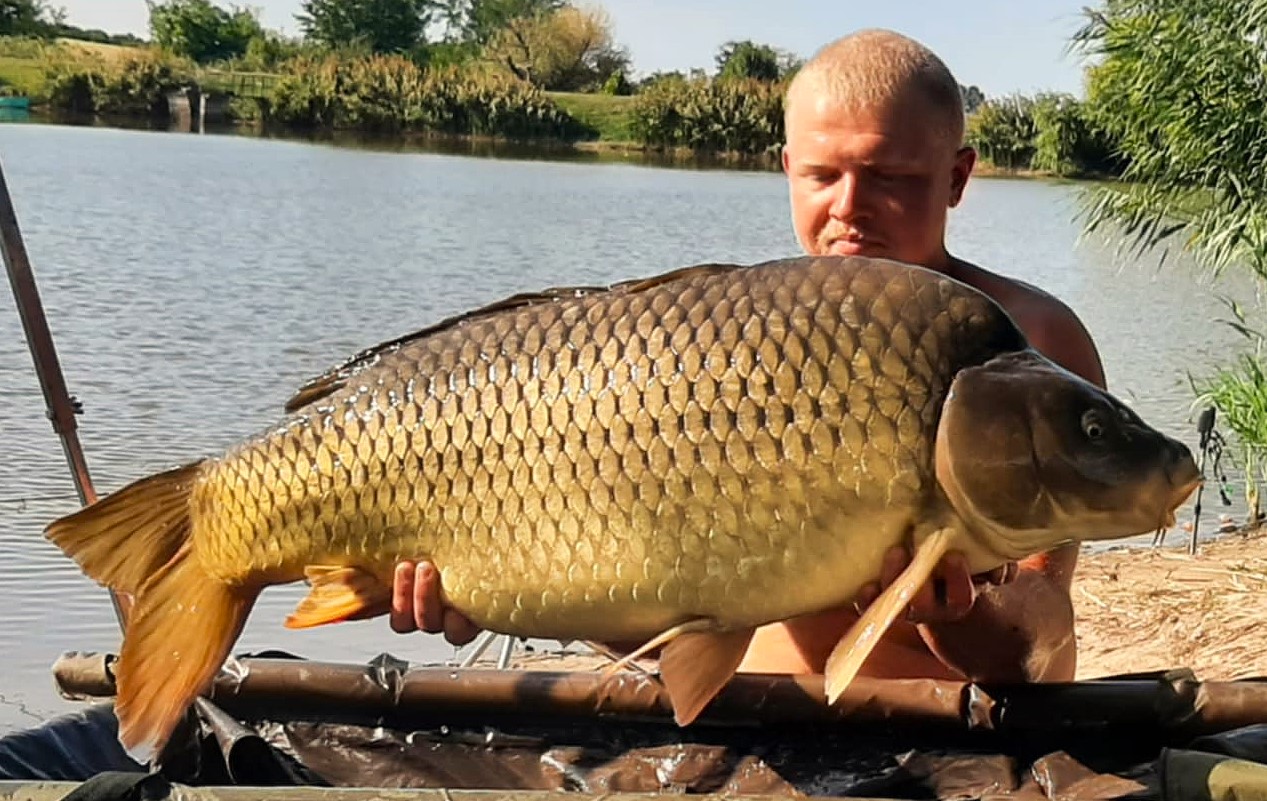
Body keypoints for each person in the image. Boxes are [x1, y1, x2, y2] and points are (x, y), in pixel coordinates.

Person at [386, 28, 1106, 686]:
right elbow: (662, 622)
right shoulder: (725, 344)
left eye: (889, 176)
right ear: (788, 168)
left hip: (955, 732)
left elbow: (1038, 641)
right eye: (822, 176)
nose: (849, 206)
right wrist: (505, 591)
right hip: (754, 718)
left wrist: (958, 617)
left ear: (956, 177)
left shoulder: (1027, 345)